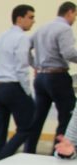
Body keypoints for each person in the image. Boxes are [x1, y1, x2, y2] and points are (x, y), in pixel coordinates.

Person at [25, 1, 77, 153]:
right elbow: (68, 53)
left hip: (40, 78)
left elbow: (25, 47)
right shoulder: (64, 28)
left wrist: (35, 65)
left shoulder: (43, 27)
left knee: (37, 118)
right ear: (69, 12)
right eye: (75, 15)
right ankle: (58, 151)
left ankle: (29, 151)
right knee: (66, 117)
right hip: (57, 77)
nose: (74, 19)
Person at [0, 4, 36, 160]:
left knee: (1, 128)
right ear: (19, 18)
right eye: (30, 17)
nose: (33, 21)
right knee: (27, 126)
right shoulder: (22, 38)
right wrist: (28, 92)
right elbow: (21, 66)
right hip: (13, 86)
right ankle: (1, 159)